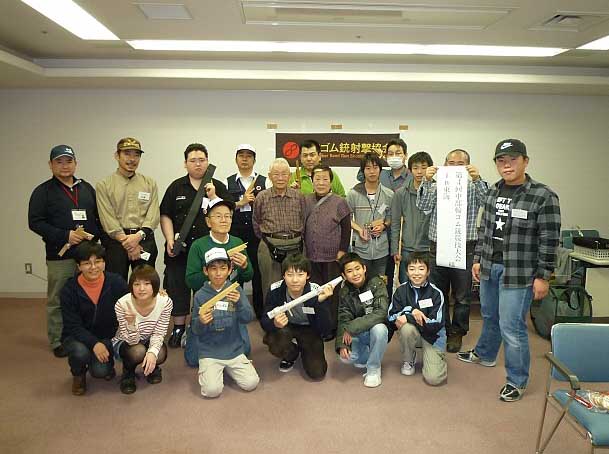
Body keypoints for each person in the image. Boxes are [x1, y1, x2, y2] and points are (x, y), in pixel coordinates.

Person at [458, 139, 560, 402]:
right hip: (490, 266)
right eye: (501, 161)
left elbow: (550, 239)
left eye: (513, 159)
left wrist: (543, 276)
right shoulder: (493, 191)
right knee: (489, 314)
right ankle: (486, 354)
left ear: (525, 161)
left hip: (520, 272)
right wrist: (478, 259)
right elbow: (485, 229)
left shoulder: (543, 195)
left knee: (512, 326)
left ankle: (517, 380)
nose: (507, 165)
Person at [29, 144, 102, 357]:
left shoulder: (86, 188)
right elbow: (35, 222)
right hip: (60, 255)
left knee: (87, 296)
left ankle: (85, 335)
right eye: (59, 162)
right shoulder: (43, 191)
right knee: (58, 299)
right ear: (50, 165)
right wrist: (64, 235)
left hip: (87, 256)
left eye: (68, 161)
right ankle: (58, 340)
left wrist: (94, 239)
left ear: (75, 164)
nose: (64, 166)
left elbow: (97, 218)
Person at [160, 143, 232, 348]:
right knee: (178, 286)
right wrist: (169, 238)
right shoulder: (176, 187)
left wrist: (213, 197)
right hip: (180, 248)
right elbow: (165, 214)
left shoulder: (218, 186)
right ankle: (178, 327)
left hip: (209, 250)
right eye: (193, 160)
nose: (198, 164)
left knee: (209, 286)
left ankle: (208, 324)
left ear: (207, 162)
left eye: (202, 160)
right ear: (185, 163)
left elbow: (227, 214)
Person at [417, 148, 488, 353]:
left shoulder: (474, 186)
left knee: (462, 295)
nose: (455, 167)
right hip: (438, 244)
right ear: (444, 164)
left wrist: (478, 179)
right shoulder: (437, 184)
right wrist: (427, 181)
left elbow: (487, 202)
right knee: (437, 291)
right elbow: (422, 205)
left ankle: (457, 332)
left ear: (468, 166)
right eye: (451, 163)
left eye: (460, 164)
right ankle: (441, 328)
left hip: (464, 245)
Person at [60, 241, 128, 395]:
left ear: (104, 263)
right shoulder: (69, 289)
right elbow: (73, 326)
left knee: (100, 372)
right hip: (76, 337)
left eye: (98, 261)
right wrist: (94, 344)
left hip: (106, 337)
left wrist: (157, 295)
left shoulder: (116, 282)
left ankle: (104, 364)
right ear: (78, 266)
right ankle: (78, 374)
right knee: (80, 352)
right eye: (86, 263)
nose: (93, 267)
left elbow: (133, 301)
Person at [191, 248, 260, 398]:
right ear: (205, 271)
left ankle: (230, 368)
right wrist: (201, 321)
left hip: (234, 349)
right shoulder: (200, 296)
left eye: (223, 268)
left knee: (251, 383)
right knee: (212, 391)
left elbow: (248, 318)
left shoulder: (235, 290)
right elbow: (195, 330)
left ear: (229, 270)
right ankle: (212, 370)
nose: (218, 273)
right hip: (210, 351)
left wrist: (239, 303)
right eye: (213, 269)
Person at [260, 254, 335, 379]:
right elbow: (264, 320)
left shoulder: (316, 291)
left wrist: (320, 303)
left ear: (308, 275)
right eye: (290, 274)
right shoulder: (275, 290)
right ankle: (291, 353)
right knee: (275, 341)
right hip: (286, 328)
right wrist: (274, 324)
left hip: (309, 329)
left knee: (317, 373)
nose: (295, 280)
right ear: (283, 276)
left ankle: (304, 348)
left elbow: (326, 329)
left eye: (300, 274)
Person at [96, 137, 160, 281]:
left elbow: (153, 214)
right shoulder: (104, 185)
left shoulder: (149, 183)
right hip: (116, 242)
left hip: (144, 239)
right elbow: (107, 218)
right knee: (116, 284)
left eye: (136, 155)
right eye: (127, 154)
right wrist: (129, 243)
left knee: (146, 283)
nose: (132, 159)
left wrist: (138, 237)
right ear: (117, 156)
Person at [304, 165, 351, 331]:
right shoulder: (306, 200)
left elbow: (346, 228)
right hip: (311, 256)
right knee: (316, 292)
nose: (321, 182)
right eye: (317, 179)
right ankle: (319, 324)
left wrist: (342, 251)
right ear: (312, 181)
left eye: (325, 179)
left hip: (332, 258)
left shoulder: (340, 202)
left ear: (331, 181)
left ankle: (331, 327)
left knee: (332, 293)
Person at [388, 252, 447, 386]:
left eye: (421, 269)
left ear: (428, 271)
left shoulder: (436, 293)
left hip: (432, 336)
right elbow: (391, 317)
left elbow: (436, 324)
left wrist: (409, 317)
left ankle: (437, 358)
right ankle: (409, 359)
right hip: (413, 332)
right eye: (412, 269)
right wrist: (411, 312)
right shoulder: (400, 291)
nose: (416, 273)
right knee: (406, 328)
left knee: (434, 379)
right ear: (407, 272)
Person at [113, 265, 173, 394]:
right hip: (126, 341)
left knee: (160, 353)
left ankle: (151, 367)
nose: (141, 288)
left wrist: (152, 353)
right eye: (136, 284)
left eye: (147, 284)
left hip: (149, 338)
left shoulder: (165, 302)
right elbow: (131, 341)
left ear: (154, 285)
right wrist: (131, 324)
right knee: (137, 351)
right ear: (131, 286)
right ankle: (128, 372)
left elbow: (159, 332)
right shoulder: (122, 304)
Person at [253, 158, 305, 301]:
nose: (280, 178)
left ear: (290, 176)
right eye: (276, 174)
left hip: (296, 246)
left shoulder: (299, 196)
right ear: (270, 176)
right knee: (271, 287)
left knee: (296, 284)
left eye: (284, 174)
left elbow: (305, 219)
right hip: (269, 245)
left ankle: (296, 313)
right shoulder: (262, 197)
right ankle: (272, 314)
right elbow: (256, 222)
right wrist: (269, 239)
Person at [335, 252, 389, 388]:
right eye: (349, 271)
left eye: (357, 268)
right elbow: (343, 317)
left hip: (373, 329)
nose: (355, 274)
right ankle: (365, 354)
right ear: (344, 275)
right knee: (346, 358)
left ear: (364, 268)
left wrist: (352, 327)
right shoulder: (344, 291)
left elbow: (381, 313)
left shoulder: (377, 283)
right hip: (358, 332)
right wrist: (342, 344)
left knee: (380, 330)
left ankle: (374, 368)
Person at [226, 144, 267, 318]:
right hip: (235, 231)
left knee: (258, 270)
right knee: (235, 269)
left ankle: (259, 309)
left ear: (254, 160)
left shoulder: (264, 181)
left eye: (248, 156)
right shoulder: (227, 182)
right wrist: (240, 203)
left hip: (256, 230)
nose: (244, 159)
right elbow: (223, 208)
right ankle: (235, 308)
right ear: (236, 159)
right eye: (241, 155)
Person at [346, 152, 393, 282]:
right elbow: (347, 218)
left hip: (381, 248)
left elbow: (391, 217)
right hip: (360, 248)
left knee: (380, 282)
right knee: (361, 281)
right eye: (368, 168)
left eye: (375, 167)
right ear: (363, 171)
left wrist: (383, 226)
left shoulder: (389, 194)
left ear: (380, 170)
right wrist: (359, 230)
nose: (372, 171)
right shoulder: (353, 194)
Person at [391, 152, 434, 284]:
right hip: (407, 249)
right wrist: (395, 249)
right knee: (406, 286)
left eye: (424, 167)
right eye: (415, 168)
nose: (420, 172)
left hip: (430, 249)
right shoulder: (401, 193)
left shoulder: (438, 191)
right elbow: (395, 223)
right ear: (410, 170)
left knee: (430, 287)